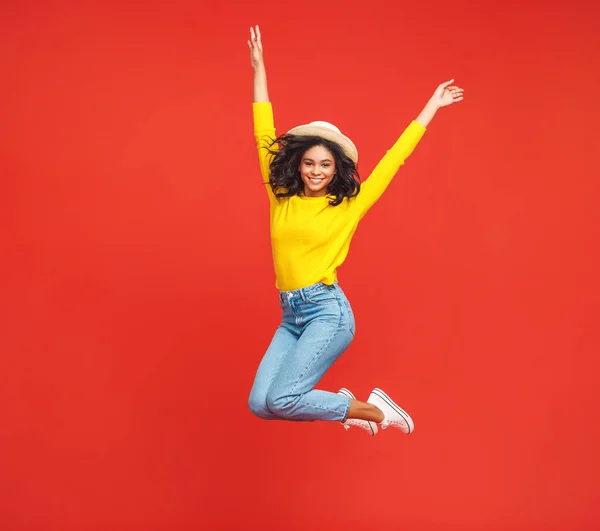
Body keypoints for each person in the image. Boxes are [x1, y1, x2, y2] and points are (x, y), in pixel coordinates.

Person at [246, 25, 464, 436]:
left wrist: (431, 107)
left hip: (327, 312)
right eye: (309, 163)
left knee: (282, 399)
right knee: (261, 404)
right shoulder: (281, 197)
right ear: (298, 165)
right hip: (291, 314)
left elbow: (393, 160)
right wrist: (259, 68)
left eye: (325, 165)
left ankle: (373, 412)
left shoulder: (349, 204)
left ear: (335, 170)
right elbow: (262, 133)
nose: (316, 171)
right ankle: (349, 407)